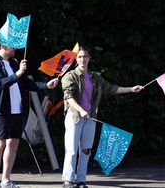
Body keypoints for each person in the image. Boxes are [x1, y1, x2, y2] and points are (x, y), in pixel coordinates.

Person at [61, 46, 144, 188]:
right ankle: (68, 180)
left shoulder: (96, 78)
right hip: (74, 116)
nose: (83, 59)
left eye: (85, 56)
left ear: (89, 58)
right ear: (76, 59)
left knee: (86, 150)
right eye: (80, 56)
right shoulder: (69, 76)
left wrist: (131, 89)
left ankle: (81, 180)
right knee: (72, 149)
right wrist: (81, 110)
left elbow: (111, 88)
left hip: (90, 118)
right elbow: (68, 97)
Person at [0, 37, 58, 188]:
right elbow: (1, 83)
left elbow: (26, 83)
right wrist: (18, 73)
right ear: (3, 45)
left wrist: (46, 85)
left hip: (18, 110)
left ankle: (6, 180)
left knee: (13, 144)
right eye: (12, 45)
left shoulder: (14, 62)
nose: (16, 48)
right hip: (2, 110)